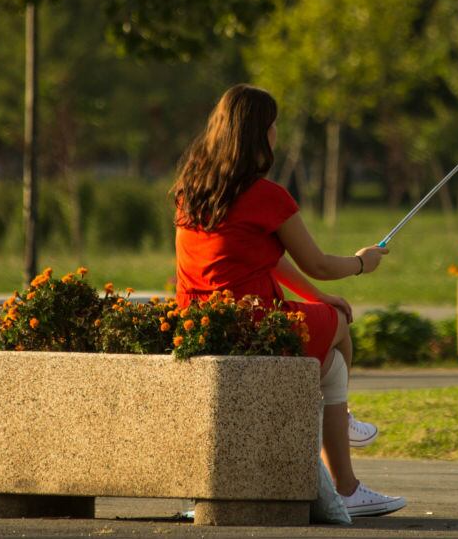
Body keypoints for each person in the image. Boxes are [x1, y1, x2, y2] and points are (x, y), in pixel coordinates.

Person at [173, 83, 407, 518]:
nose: (277, 132)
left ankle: (348, 475)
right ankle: (346, 466)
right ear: (259, 134)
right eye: (274, 125)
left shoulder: (193, 192)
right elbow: (316, 262)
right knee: (338, 324)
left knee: (330, 357)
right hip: (255, 326)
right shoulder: (267, 196)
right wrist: (361, 264)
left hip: (202, 326)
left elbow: (256, 258)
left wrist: (317, 296)